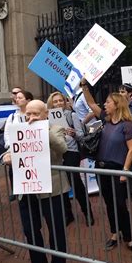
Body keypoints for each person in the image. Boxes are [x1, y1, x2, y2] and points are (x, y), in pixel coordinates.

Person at [80, 79, 132, 255]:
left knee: (120, 205)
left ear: (117, 105)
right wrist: (84, 86)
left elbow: (131, 150)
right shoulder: (106, 120)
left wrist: (124, 171)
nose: (105, 104)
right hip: (102, 169)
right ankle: (115, 234)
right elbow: (91, 103)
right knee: (109, 203)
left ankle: (129, 238)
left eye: (108, 102)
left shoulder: (127, 125)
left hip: (117, 171)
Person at [3, 100, 69, 263]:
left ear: (45, 114)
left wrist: (43, 129)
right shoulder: (20, 130)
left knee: (56, 231)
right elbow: (10, 150)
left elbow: (62, 148)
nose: (31, 117)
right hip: (27, 189)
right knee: (30, 230)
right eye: (28, 114)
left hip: (52, 190)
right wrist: (5, 156)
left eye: (36, 114)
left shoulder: (55, 129)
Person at [46, 92, 94, 227]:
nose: (59, 103)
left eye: (61, 100)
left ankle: (87, 212)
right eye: (55, 101)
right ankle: (68, 214)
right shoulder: (47, 117)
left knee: (75, 181)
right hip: (55, 153)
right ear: (51, 103)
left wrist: (73, 133)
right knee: (60, 184)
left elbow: (81, 135)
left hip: (71, 151)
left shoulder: (71, 115)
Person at [4, 90, 33, 201]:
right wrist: (11, 146)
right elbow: (7, 133)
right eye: (16, 98)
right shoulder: (12, 117)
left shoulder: (35, 115)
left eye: (20, 97)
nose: (17, 99)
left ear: (28, 100)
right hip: (17, 154)